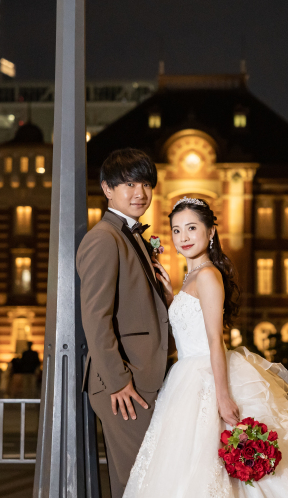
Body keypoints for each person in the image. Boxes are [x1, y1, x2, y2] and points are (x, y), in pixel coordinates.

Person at [122, 197, 288, 497]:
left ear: (210, 232)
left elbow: (214, 340)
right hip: (187, 377)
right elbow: (191, 327)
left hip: (205, 376)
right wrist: (172, 298)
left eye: (191, 228)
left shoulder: (209, 275)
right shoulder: (192, 278)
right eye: (175, 230)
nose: (182, 237)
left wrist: (223, 397)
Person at [76, 148, 170, 498]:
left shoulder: (132, 237)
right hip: (123, 384)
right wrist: (118, 382)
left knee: (140, 481)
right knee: (141, 481)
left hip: (140, 379)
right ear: (107, 189)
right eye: (129, 183)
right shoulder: (104, 239)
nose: (139, 193)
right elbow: (96, 318)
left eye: (145, 183)